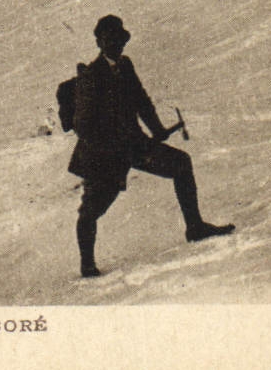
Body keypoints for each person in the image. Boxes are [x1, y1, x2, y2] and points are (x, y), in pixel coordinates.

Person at [69, 14, 234, 278]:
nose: (117, 45)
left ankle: (195, 228)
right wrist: (112, 144)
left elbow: (141, 101)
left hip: (134, 145)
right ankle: (87, 265)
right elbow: (82, 124)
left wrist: (156, 129)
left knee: (181, 164)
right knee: (93, 208)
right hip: (103, 155)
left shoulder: (125, 66)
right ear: (100, 42)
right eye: (110, 40)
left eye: (120, 40)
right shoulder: (91, 76)